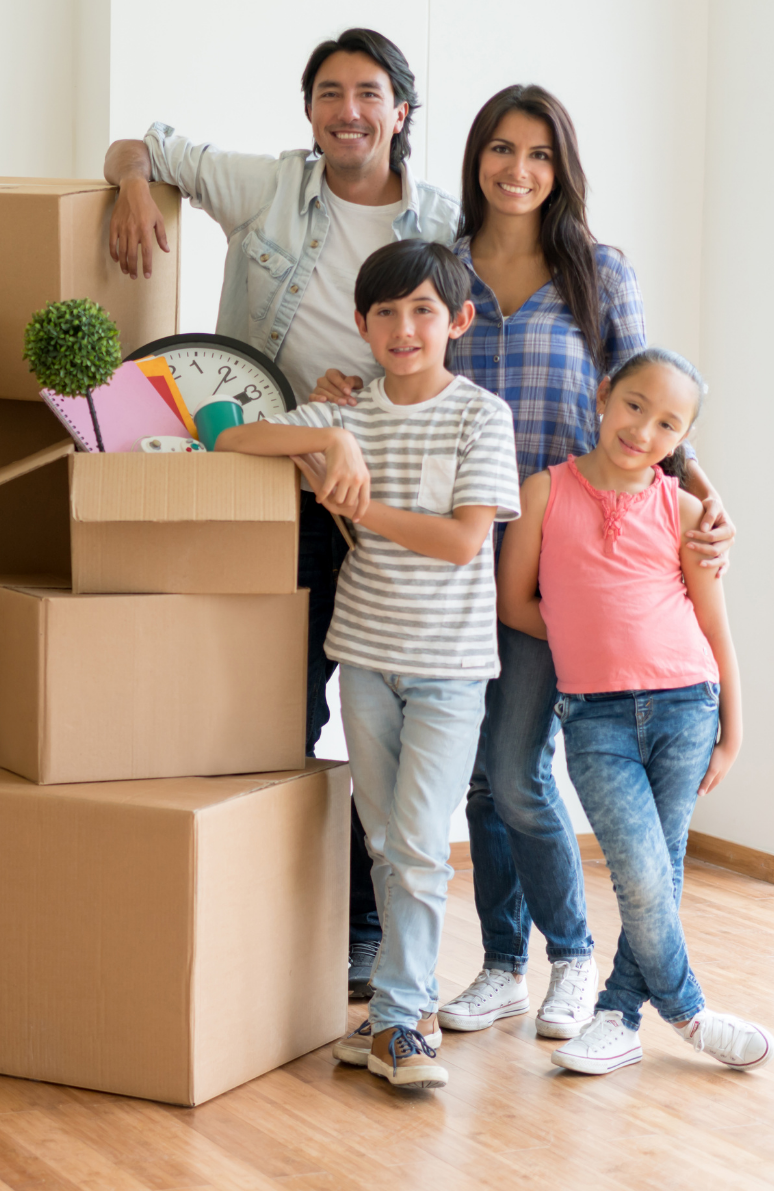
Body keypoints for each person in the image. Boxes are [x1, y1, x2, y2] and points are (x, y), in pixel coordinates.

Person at [311, 86, 735, 1039]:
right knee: (475, 784)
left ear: (561, 169)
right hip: (447, 569)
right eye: (502, 150)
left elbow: (650, 403)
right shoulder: (444, 267)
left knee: (517, 775)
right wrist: (339, 387)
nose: (518, 170)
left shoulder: (597, 273)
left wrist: (703, 493)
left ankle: (571, 957)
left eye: (539, 155)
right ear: (476, 160)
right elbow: (396, 357)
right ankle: (501, 963)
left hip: (565, 560)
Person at [103, 29, 461, 998]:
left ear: (402, 112)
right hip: (279, 495)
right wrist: (135, 182)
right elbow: (143, 144)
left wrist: (389, 380)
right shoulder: (267, 187)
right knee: (279, 716)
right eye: (330, 92)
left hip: (394, 507)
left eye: (369, 92)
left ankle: (368, 930)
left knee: (400, 725)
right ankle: (272, 921)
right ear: (310, 110)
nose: (350, 109)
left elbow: (462, 341)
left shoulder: (440, 217)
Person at [214, 239, 521, 1090]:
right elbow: (224, 434)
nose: (403, 327)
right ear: (360, 324)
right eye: (384, 311)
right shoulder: (346, 414)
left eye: (423, 309)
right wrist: (329, 448)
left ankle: (397, 1023)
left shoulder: (480, 415)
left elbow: (464, 541)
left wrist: (361, 499)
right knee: (387, 842)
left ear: (457, 321)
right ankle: (396, 1018)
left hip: (450, 667)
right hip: (364, 657)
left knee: (420, 844)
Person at [497, 348, 774, 1074]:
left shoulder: (683, 510)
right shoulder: (543, 493)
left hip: (688, 705)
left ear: (682, 441)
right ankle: (690, 1014)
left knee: (662, 870)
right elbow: (514, 602)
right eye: (634, 406)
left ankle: (617, 1018)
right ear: (602, 396)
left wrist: (734, 730)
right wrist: (588, 634)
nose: (644, 429)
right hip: (595, 718)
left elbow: (716, 628)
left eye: (667, 424)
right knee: (642, 874)